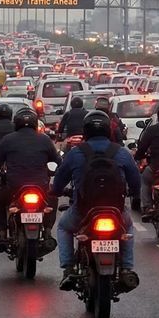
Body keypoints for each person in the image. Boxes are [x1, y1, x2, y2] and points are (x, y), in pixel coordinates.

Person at [50, 110, 140, 290]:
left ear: (86, 130)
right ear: (108, 130)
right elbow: (136, 181)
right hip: (116, 211)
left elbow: (59, 181)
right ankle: (126, 269)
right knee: (128, 227)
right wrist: (133, 193)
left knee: (63, 227)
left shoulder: (75, 153)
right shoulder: (121, 153)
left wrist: (57, 191)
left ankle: (68, 269)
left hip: (83, 212)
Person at [0, 107, 60, 252]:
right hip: (41, 186)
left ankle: (2, 235)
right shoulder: (44, 139)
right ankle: (48, 232)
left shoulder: (8, 140)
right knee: (53, 198)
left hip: (14, 186)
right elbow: (58, 161)